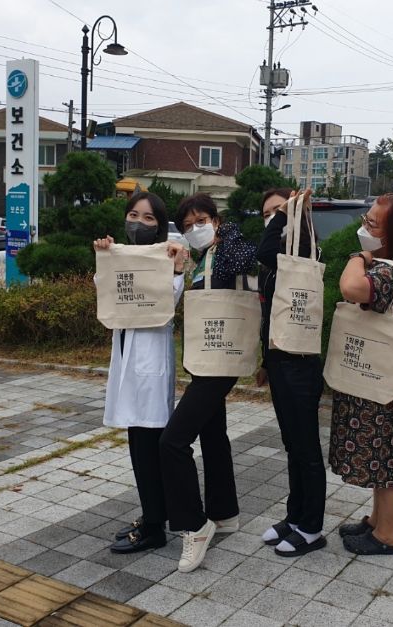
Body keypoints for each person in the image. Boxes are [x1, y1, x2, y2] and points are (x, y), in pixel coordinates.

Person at [159, 193, 256, 573]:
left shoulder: (231, 244)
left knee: (172, 441)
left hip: (222, 358)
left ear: (216, 219)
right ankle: (224, 512)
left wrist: (222, 236)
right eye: (187, 226)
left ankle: (195, 526)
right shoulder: (203, 259)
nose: (195, 228)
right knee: (213, 434)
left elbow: (246, 261)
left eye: (201, 220)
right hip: (209, 357)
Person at [93, 192, 187, 554]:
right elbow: (106, 295)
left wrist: (176, 269)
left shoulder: (167, 256)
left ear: (160, 225)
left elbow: (170, 302)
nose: (138, 223)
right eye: (133, 215)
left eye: (148, 218)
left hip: (150, 363)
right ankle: (152, 515)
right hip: (127, 358)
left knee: (147, 447)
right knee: (138, 443)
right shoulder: (122, 257)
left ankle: (154, 526)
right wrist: (105, 257)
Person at [329, 194, 393, 555]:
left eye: (372, 224)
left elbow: (351, 288)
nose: (364, 228)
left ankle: (387, 535)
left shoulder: (388, 270)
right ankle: (376, 521)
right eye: (365, 220)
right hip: (385, 373)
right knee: (383, 453)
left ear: (392, 234)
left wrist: (357, 257)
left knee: (390, 457)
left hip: (388, 378)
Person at [255, 188, 327, 557]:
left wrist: (287, 214)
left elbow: (264, 250)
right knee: (292, 445)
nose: (272, 217)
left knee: (306, 448)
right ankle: (295, 517)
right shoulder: (281, 259)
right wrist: (265, 362)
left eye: (278, 210)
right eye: (267, 213)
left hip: (300, 364)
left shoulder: (302, 250)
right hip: (280, 361)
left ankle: (312, 528)